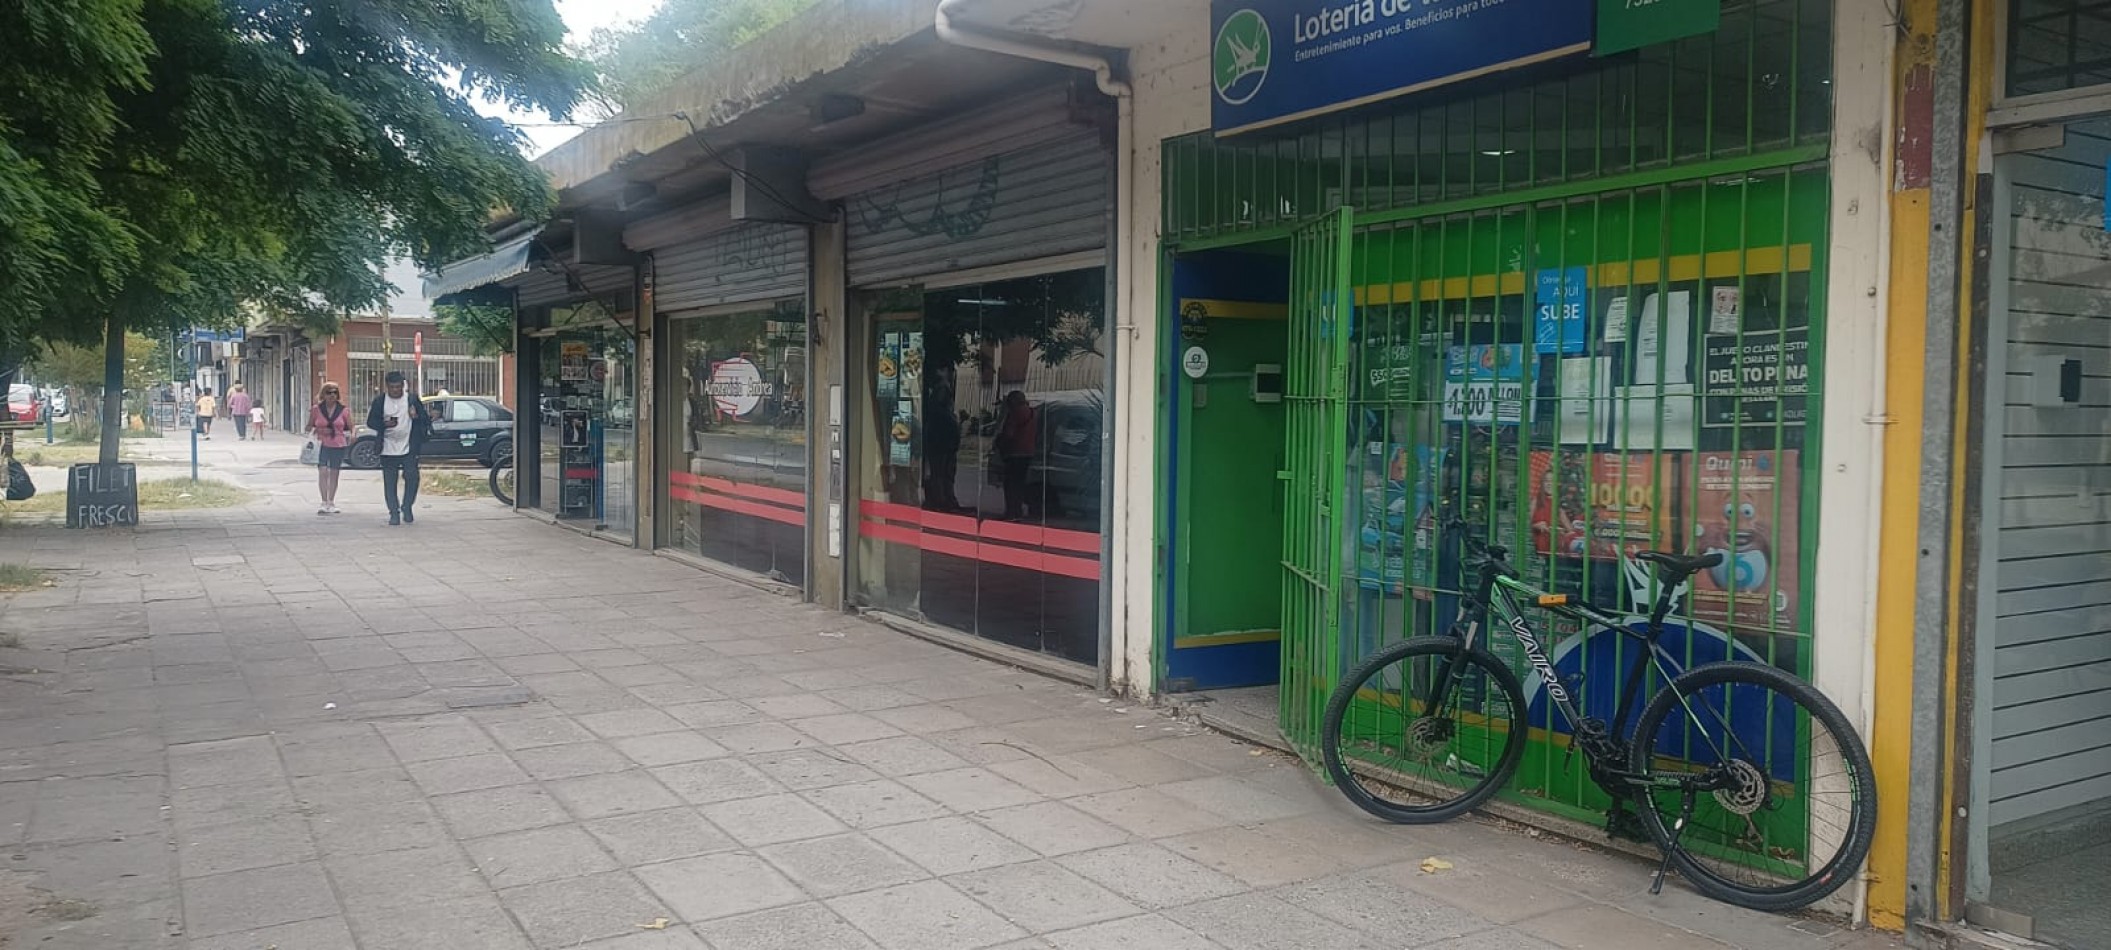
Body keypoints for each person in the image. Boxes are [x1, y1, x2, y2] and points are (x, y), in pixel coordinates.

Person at [366, 371, 432, 525]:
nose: (395, 390)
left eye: (398, 387)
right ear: (387, 387)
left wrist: (416, 416)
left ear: (403, 386)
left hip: (409, 446)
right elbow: (371, 422)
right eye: (392, 387)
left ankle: (407, 506)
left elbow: (425, 420)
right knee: (390, 481)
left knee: (412, 476)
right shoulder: (380, 401)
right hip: (387, 447)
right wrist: (384, 424)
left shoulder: (411, 399)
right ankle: (393, 512)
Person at [307, 382, 352, 515]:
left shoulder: (344, 410)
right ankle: (323, 501)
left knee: (334, 472)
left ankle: (331, 501)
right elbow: (309, 426)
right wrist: (319, 430)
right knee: (323, 471)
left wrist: (352, 435)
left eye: (334, 393)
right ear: (323, 394)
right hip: (322, 443)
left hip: (338, 443)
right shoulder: (316, 409)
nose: (332, 395)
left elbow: (351, 426)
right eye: (329, 392)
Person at [995, 390, 1038, 521]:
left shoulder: (1014, 413)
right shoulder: (1033, 413)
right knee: (1019, 483)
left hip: (1014, 453)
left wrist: (999, 443)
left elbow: (1009, 434)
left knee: (1010, 484)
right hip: (1028, 453)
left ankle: (1011, 512)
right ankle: (1018, 511)